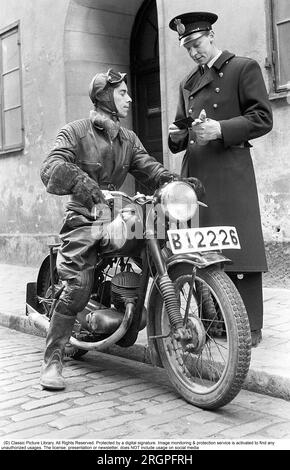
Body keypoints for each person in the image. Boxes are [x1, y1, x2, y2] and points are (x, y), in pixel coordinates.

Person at [39, 68, 204, 390]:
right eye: (122, 93)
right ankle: (53, 361)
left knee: (155, 236)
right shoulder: (76, 132)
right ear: (104, 97)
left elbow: (148, 167)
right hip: (85, 217)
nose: (129, 98)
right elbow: (51, 165)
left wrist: (173, 182)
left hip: (117, 213)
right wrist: (80, 182)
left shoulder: (128, 139)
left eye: (128, 93)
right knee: (77, 285)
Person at [168, 12, 273, 347]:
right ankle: (214, 319)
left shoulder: (243, 68)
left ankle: (249, 326)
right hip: (197, 175)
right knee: (203, 247)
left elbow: (262, 117)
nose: (194, 52)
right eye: (188, 48)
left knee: (238, 245)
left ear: (210, 36)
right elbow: (180, 130)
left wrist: (222, 129)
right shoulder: (187, 82)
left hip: (230, 171)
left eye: (197, 44)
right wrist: (175, 136)